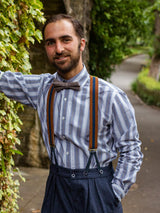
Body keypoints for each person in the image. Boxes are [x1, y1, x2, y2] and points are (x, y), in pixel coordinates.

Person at [0, 14, 143, 213]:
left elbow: (131, 149)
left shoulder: (110, 96)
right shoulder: (42, 88)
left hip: (98, 191)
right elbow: (3, 80)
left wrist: (115, 191)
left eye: (66, 40)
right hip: (56, 188)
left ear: (81, 44)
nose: (58, 49)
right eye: (51, 43)